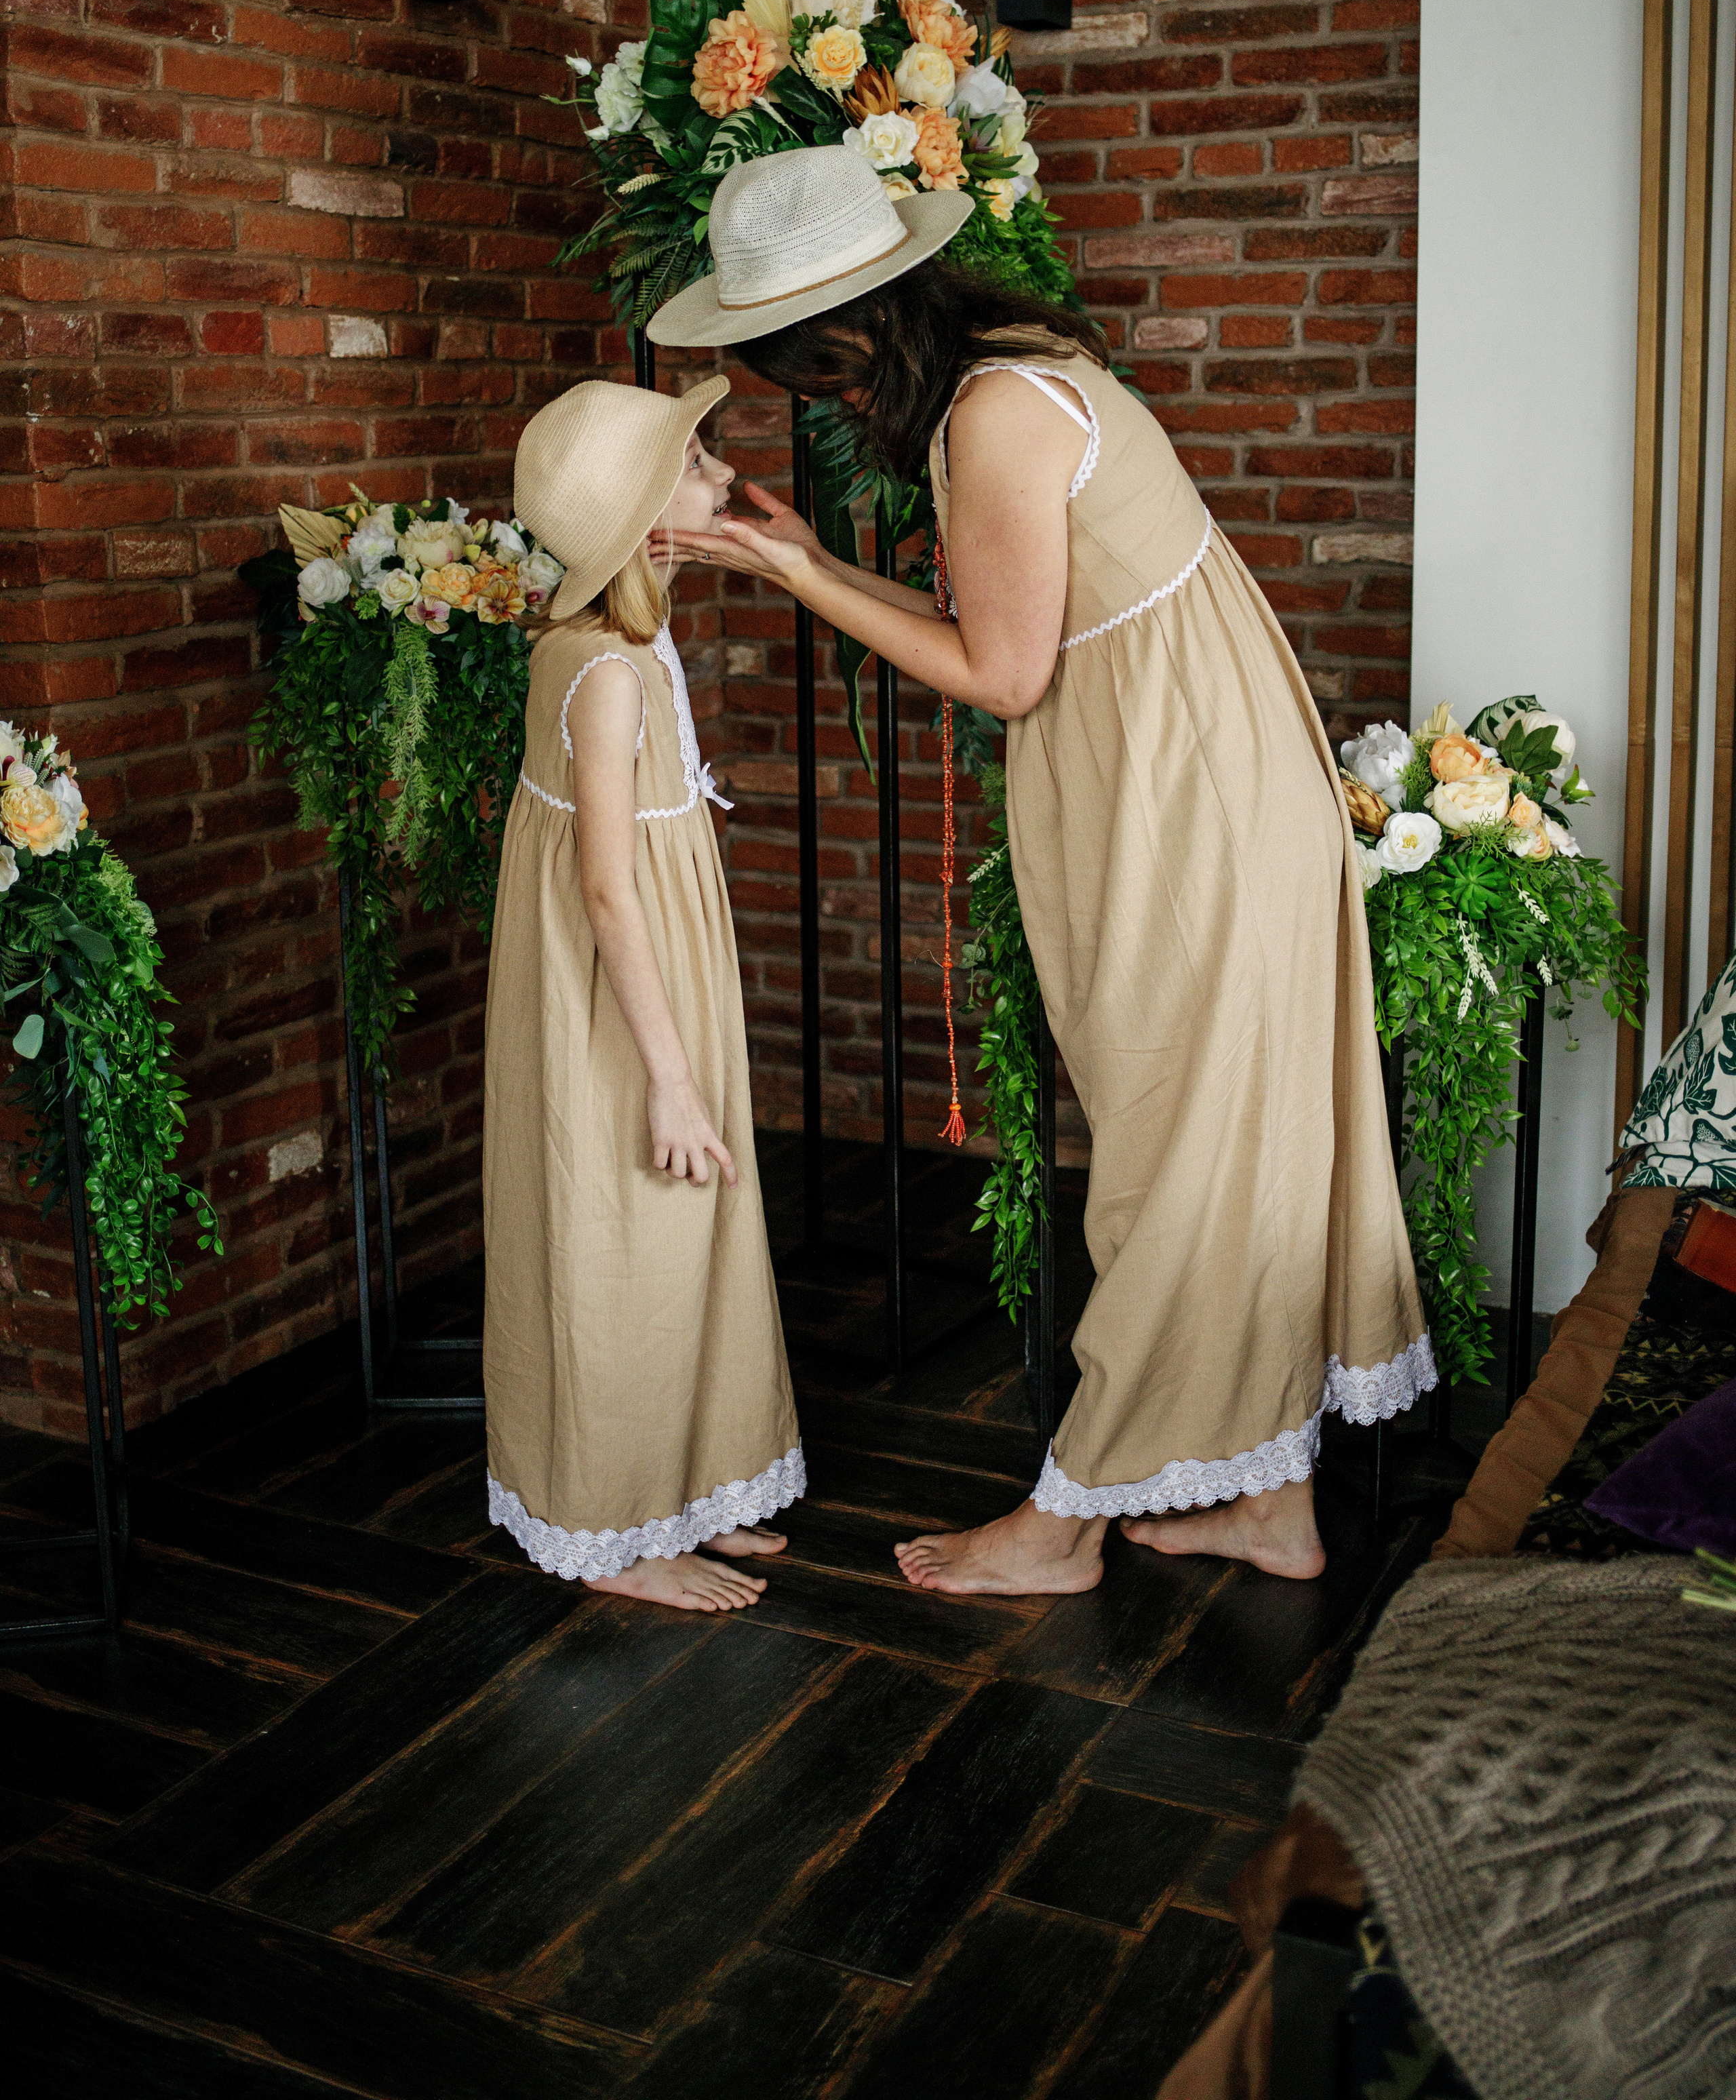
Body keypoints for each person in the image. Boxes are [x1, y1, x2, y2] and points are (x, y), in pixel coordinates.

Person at [649, 144, 1434, 1598]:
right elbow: (1014, 636)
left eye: (804, 375)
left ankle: (1066, 1528)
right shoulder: (1005, 372)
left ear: (849, 333)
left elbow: (1002, 676)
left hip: (1183, 805)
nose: (816, 403)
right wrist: (818, 555)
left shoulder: (999, 411)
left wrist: (795, 577)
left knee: (1175, 1157)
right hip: (1173, 775)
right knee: (1220, 1138)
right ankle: (1272, 1505)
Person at [481, 374, 802, 1613]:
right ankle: (615, 1528)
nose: (725, 476)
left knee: (678, 1233)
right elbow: (610, 891)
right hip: (622, 1004)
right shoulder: (607, 674)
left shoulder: (606, 643)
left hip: (653, 978)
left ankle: (686, 1487)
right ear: (642, 519)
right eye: (698, 464)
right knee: (625, 1233)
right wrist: (669, 1076)